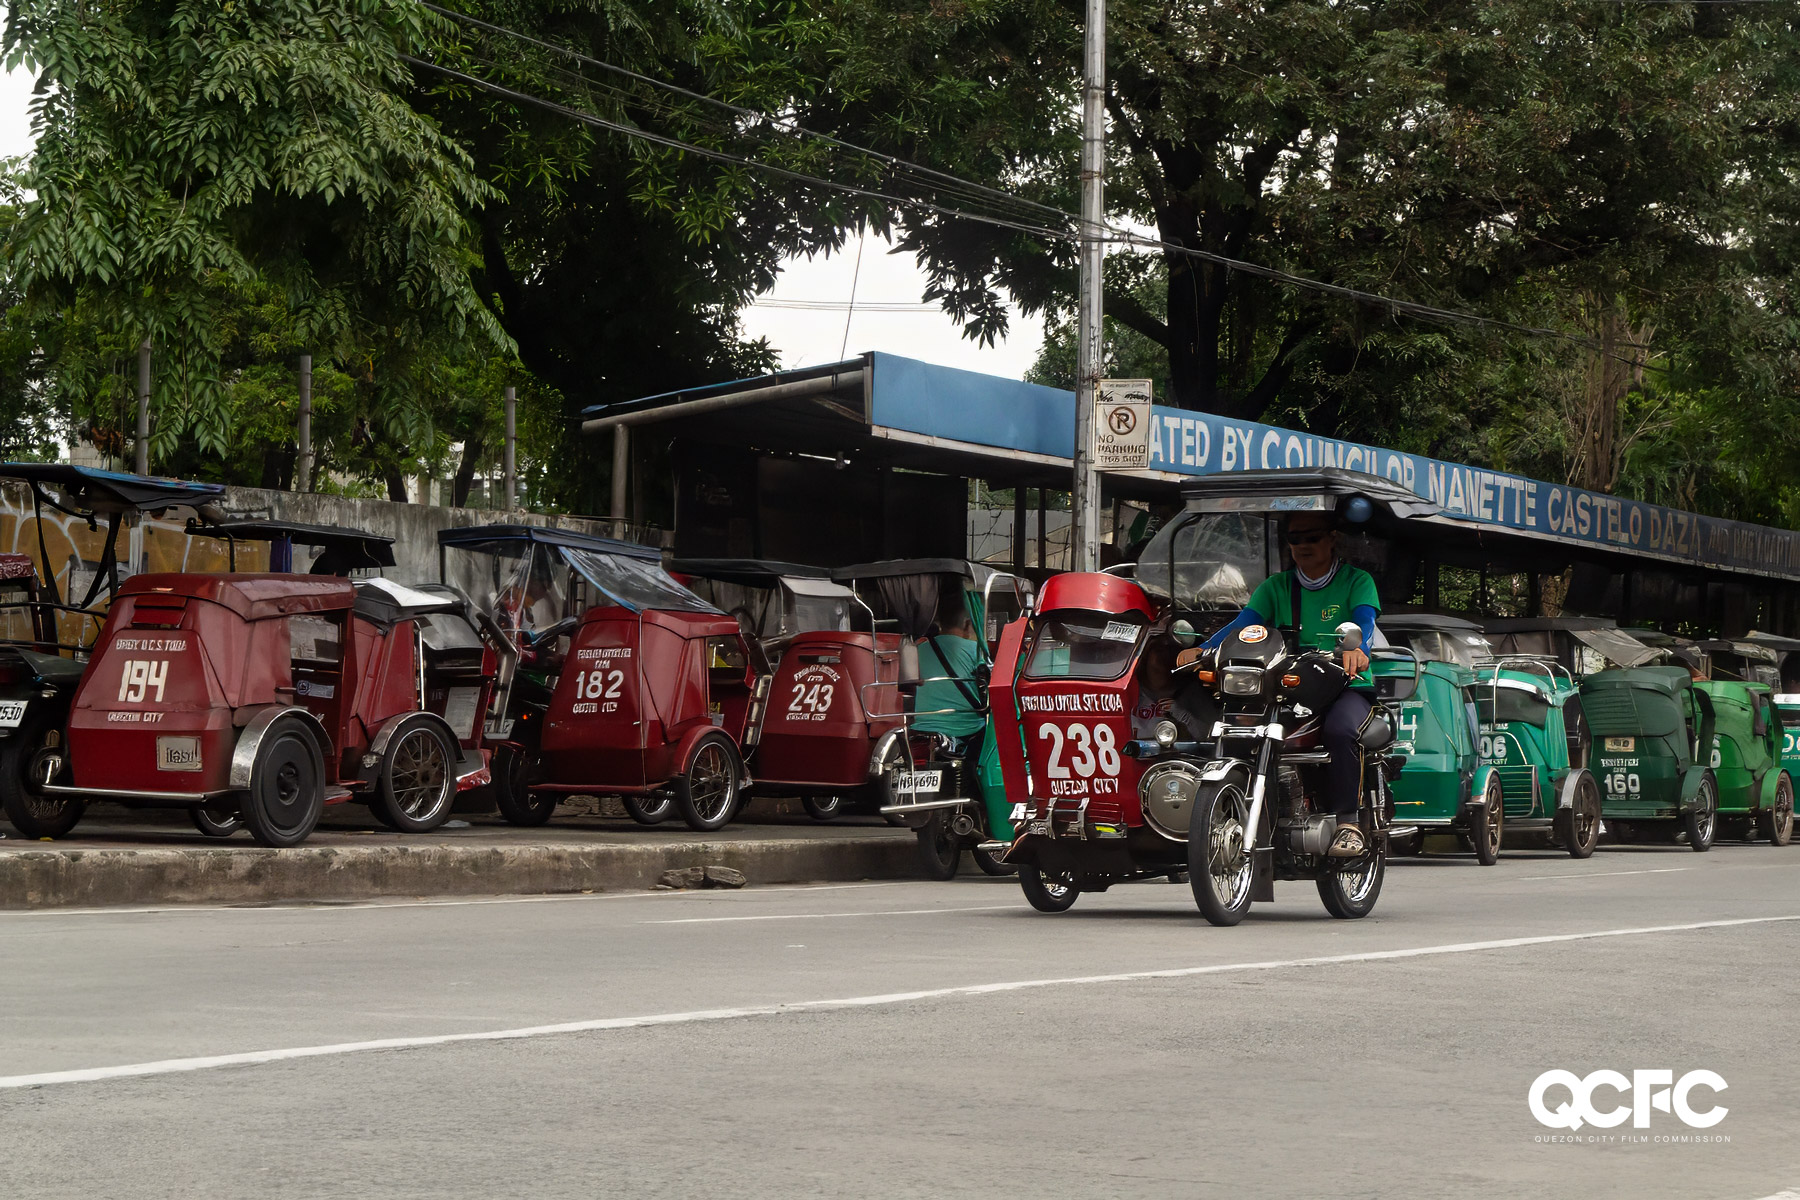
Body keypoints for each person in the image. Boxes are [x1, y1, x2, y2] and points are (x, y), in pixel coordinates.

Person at [1182, 510, 1381, 855]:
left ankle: (1348, 823)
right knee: (1241, 728)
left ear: (1332, 538)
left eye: (1312, 537)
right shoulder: (1276, 586)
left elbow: (1364, 622)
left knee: (1339, 731)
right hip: (1289, 687)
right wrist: (1204, 649)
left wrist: (1358, 650)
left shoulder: (1356, 581)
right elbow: (1243, 625)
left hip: (1346, 685)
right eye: (1295, 539)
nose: (1303, 545)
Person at [913, 599, 986, 755]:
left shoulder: (918, 650)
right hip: (967, 729)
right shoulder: (976, 650)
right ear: (967, 623)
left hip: (921, 727)